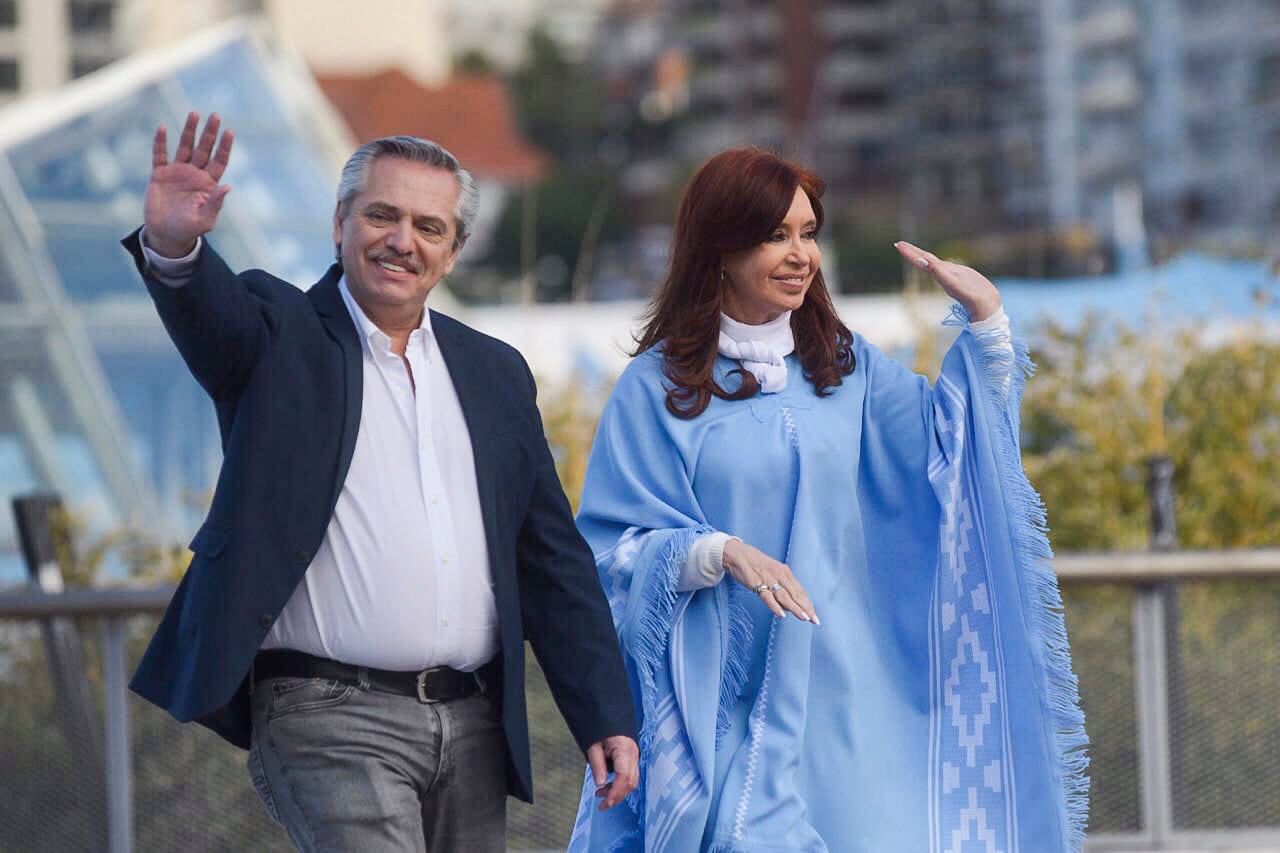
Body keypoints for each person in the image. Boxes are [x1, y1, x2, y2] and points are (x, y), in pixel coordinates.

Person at [124, 112, 639, 852]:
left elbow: (552, 560)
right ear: (340, 223)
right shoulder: (277, 331)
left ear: (454, 251)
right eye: (382, 215)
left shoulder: (494, 372)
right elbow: (211, 317)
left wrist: (604, 713)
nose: (403, 240)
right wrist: (175, 246)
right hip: (327, 713)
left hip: (472, 722)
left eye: (429, 227)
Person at [567, 149, 1088, 852]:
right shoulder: (656, 390)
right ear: (719, 247)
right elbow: (608, 554)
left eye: (808, 233)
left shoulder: (847, 368)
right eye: (774, 235)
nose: (799, 255)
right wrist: (718, 552)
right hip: (718, 709)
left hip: (846, 700)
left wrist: (986, 320)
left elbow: (955, 452)